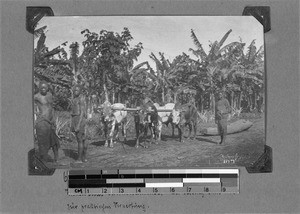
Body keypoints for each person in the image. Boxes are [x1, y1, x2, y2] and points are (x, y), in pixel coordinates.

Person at [34, 81, 59, 162]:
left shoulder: (49, 95)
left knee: (54, 141)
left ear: (48, 88)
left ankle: (56, 158)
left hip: (50, 121)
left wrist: (53, 120)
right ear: (39, 88)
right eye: (42, 87)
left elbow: (51, 107)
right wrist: (37, 113)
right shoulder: (36, 96)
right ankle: (43, 159)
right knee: (42, 142)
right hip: (42, 122)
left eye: (45, 87)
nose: (44, 89)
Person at [71, 85, 87, 163]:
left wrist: (78, 124)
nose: (75, 92)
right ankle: (84, 158)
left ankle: (80, 159)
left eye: (77, 90)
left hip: (79, 120)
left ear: (80, 91)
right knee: (82, 139)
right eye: (74, 90)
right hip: (75, 119)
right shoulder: (75, 99)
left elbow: (82, 113)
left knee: (80, 140)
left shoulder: (81, 99)